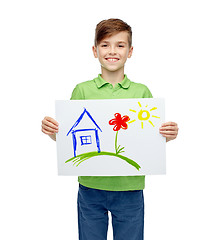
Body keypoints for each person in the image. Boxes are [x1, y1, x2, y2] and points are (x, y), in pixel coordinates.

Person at [41, 18, 178, 240]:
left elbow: (148, 138)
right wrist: (52, 132)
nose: (112, 51)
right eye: (105, 44)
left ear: (130, 51)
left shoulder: (141, 92)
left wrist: (167, 135)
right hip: (91, 187)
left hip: (130, 188)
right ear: (95, 51)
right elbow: (71, 138)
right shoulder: (82, 91)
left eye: (120, 45)